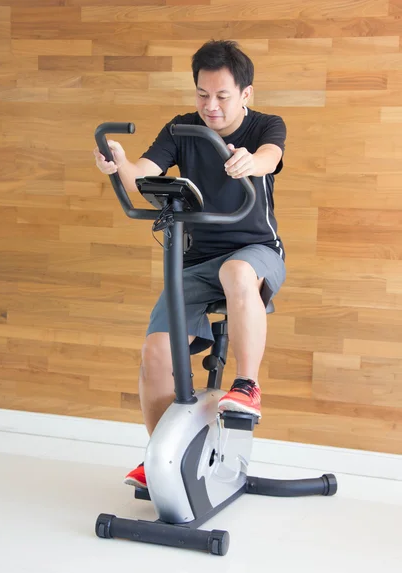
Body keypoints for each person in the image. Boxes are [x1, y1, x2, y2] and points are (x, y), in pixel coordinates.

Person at [94, 40, 287, 489]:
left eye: (222, 96)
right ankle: (164, 460)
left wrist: (249, 162)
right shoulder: (182, 128)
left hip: (255, 249)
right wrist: (119, 163)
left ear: (246, 94)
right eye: (203, 94)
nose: (211, 107)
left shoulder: (265, 126)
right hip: (197, 260)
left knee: (235, 273)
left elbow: (270, 157)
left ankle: (247, 387)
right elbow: (143, 172)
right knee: (156, 353)